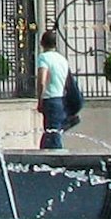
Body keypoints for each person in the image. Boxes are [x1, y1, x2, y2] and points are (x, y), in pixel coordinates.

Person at [34, 25, 73, 153]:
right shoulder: (62, 59)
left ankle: (56, 162)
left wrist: (39, 100)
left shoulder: (44, 58)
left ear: (42, 43)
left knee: (52, 135)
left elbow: (41, 81)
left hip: (49, 99)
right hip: (61, 99)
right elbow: (68, 81)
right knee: (52, 134)